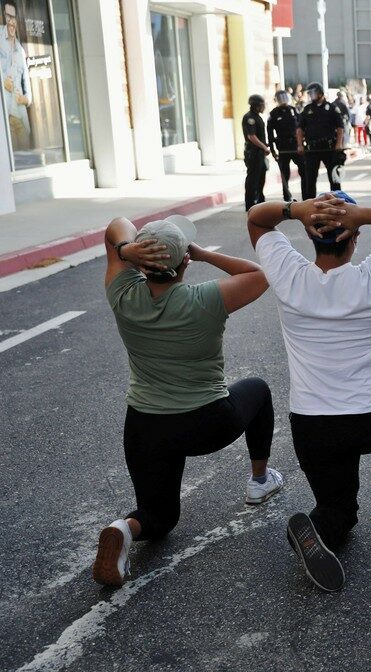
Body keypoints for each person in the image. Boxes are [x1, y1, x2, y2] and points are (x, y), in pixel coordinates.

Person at [247, 192, 371, 592]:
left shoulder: (289, 276)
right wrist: (362, 214)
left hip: (311, 428)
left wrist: (296, 210)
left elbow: (257, 218)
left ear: (309, 234)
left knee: (340, 512)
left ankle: (319, 525)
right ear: (354, 236)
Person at [92, 215, 281, 588]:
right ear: (185, 263)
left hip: (145, 426)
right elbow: (259, 274)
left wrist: (127, 250)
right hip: (206, 423)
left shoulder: (123, 294)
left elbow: (116, 224)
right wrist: (203, 254)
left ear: (141, 264)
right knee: (257, 389)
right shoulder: (206, 298)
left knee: (159, 518)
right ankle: (260, 481)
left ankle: (124, 528)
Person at [297, 82, 345, 200]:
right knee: (310, 178)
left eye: (313, 93)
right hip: (312, 148)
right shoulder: (307, 109)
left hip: (329, 147)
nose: (311, 95)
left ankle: (336, 200)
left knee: (334, 177)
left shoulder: (332, 108)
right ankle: (309, 203)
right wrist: (300, 145)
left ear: (320, 93)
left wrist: (338, 144)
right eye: (309, 93)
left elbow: (340, 127)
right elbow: (299, 129)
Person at [0, 2, 29, 148]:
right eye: (8, 16)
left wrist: (26, 99)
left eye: (14, 17)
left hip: (20, 116)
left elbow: (27, 88)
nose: (11, 21)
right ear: (3, 17)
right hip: (5, 116)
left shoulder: (20, 50)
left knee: (27, 159)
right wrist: (1, 83)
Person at [268, 90, 302, 202]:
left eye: (284, 97)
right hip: (282, 148)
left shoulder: (293, 110)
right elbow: (270, 133)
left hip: (295, 146)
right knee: (284, 173)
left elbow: (300, 126)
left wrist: (302, 143)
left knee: (304, 169)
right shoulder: (274, 113)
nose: (283, 100)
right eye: (280, 98)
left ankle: (307, 194)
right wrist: (272, 150)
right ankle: (287, 197)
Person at [241, 94, 269, 211]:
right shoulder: (250, 118)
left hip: (259, 153)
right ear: (256, 106)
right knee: (253, 178)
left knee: (261, 177)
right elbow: (251, 136)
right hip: (253, 153)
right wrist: (264, 147)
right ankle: (250, 203)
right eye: (262, 105)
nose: (263, 107)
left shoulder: (257, 117)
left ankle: (260, 199)